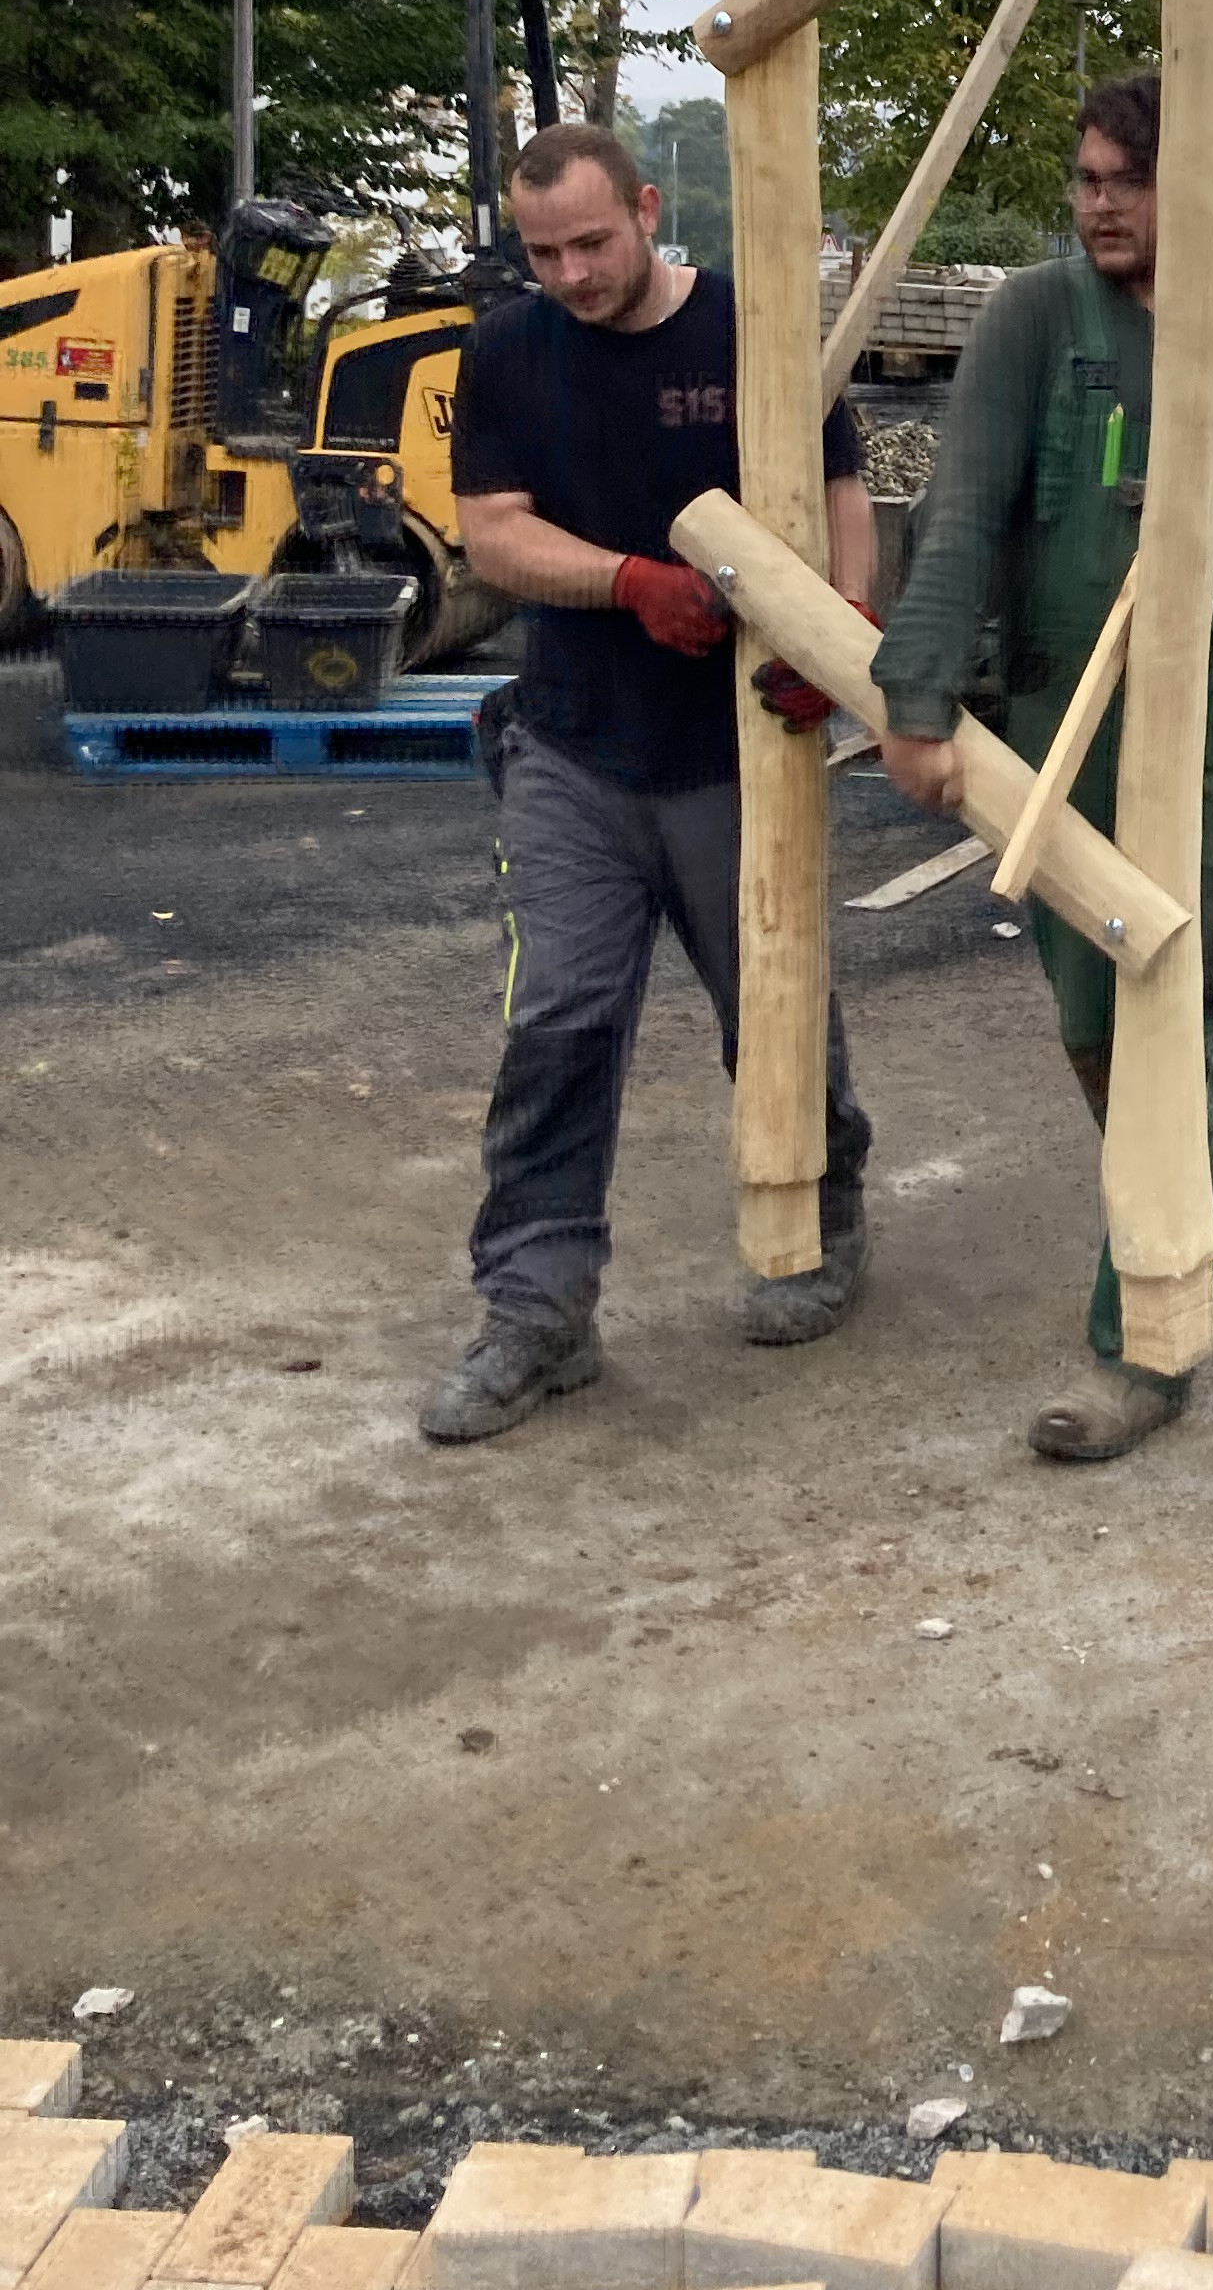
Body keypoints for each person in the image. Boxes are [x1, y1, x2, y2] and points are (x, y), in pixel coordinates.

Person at [870, 75, 1213, 1462]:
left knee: (1174, 985)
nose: (1096, 203)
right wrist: (917, 698)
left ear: (1196, 189)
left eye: (1127, 181)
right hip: (1066, 717)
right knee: (1091, 1010)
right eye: (1088, 178)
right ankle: (1189, 1217)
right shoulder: (1036, 319)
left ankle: (1143, 1339)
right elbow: (962, 512)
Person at [420, 121, 877, 1446]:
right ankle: (536, 1312)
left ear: (646, 209)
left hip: (739, 750)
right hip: (572, 750)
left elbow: (841, 491)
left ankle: (820, 1229)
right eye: (543, 253)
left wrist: (837, 638)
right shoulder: (509, 351)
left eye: (591, 242)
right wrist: (629, 582)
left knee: (776, 1010)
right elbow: (493, 536)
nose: (570, 273)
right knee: (556, 1025)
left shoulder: (748, 332)